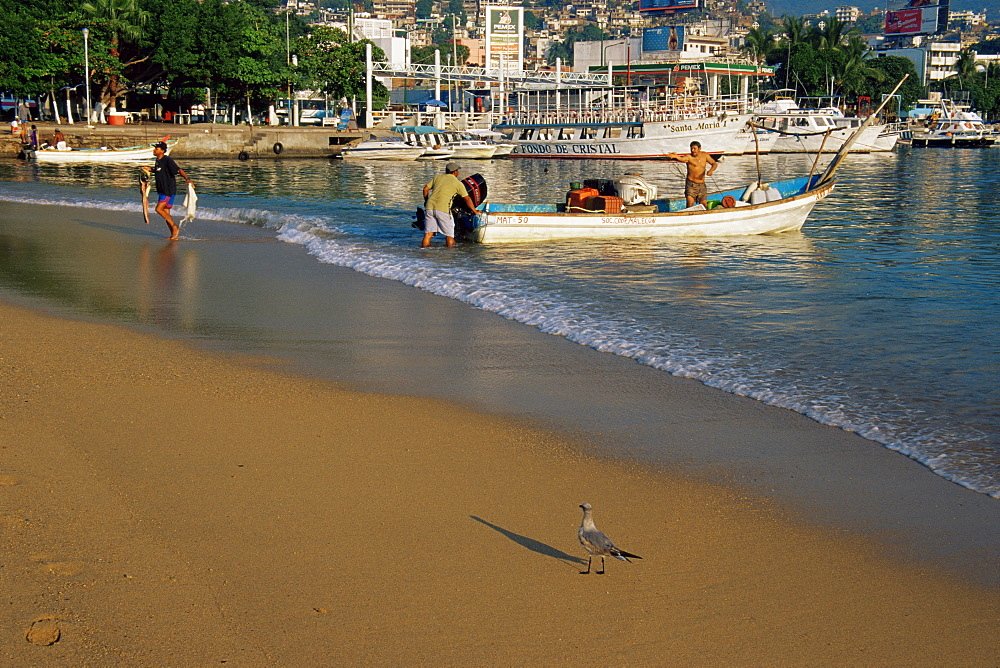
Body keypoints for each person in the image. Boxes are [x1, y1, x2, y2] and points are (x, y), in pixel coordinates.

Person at [421, 162, 475, 247]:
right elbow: (467, 198)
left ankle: (424, 254)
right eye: (457, 170)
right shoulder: (458, 183)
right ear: (454, 172)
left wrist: (426, 201)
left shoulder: (437, 177)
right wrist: (474, 211)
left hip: (429, 208)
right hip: (443, 209)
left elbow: (425, 189)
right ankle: (450, 256)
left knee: (428, 234)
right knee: (449, 235)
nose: (458, 172)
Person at [151, 142, 193, 240]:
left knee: (158, 209)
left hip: (168, 190)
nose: (154, 150)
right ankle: (174, 235)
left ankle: (174, 227)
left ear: (162, 151)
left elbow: (178, 170)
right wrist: (151, 170)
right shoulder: (158, 160)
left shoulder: (167, 160)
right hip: (162, 190)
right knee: (166, 212)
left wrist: (187, 179)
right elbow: (160, 171)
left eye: (156, 149)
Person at [666, 140, 718, 208]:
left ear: (699, 148)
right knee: (690, 205)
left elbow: (714, 163)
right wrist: (676, 156)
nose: (693, 150)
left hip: (702, 185)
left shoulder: (705, 155)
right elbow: (682, 159)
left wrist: (711, 171)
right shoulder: (689, 157)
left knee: (704, 205)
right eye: (691, 149)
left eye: (694, 148)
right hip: (691, 185)